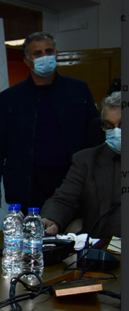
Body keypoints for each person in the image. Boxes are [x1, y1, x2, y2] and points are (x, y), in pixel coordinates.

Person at [0, 32, 99, 214]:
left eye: (49, 51)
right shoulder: (11, 97)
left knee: (73, 228)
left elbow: (96, 134)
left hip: (72, 178)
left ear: (56, 54)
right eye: (37, 53)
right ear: (27, 61)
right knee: (32, 228)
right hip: (28, 181)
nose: (45, 57)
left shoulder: (78, 89)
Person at [41, 91, 121, 238]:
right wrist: (51, 219)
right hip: (100, 246)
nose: (116, 133)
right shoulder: (86, 160)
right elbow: (64, 200)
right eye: (109, 126)